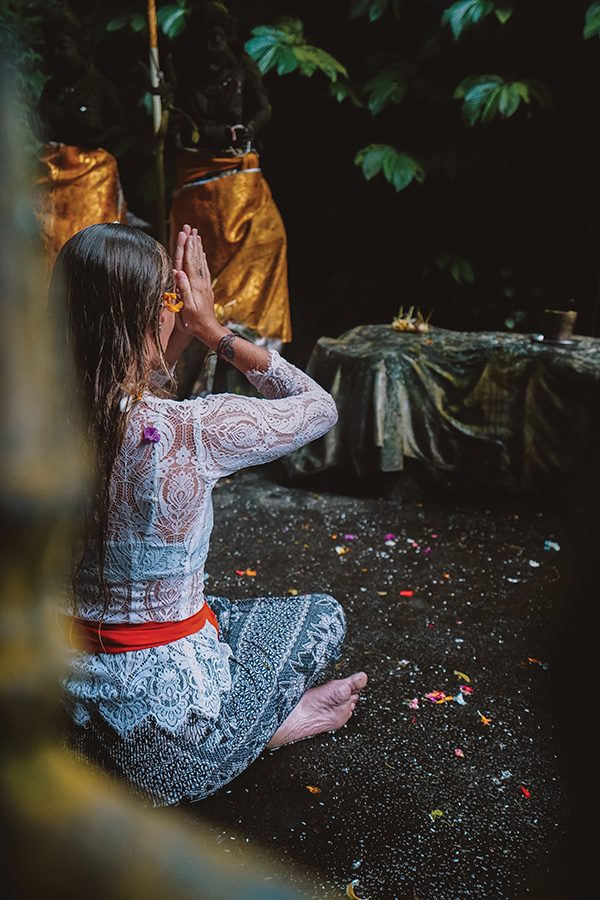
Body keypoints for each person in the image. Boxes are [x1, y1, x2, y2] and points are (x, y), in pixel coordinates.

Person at [54, 221, 367, 807]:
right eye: (169, 304)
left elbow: (124, 383)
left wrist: (168, 327)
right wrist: (214, 330)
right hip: (160, 732)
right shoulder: (191, 432)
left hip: (44, 698)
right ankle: (258, 734)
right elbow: (319, 407)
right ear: (151, 321)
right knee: (321, 617)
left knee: (203, 615)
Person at [166, 1, 291, 397]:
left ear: (227, 39)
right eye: (204, 39)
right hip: (199, 182)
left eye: (217, 37)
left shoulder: (241, 71)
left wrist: (247, 129)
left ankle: (255, 358)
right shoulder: (186, 80)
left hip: (241, 178)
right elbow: (177, 128)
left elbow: (264, 108)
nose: (211, 46)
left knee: (267, 242)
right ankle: (188, 360)